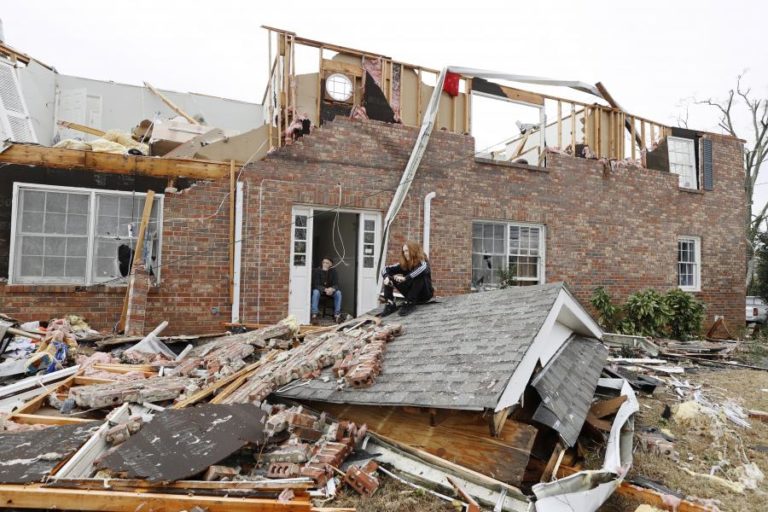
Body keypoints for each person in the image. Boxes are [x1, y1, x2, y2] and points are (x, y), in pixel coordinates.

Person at [380, 240, 434, 317]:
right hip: (409, 294)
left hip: (424, 295)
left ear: (413, 251)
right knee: (389, 277)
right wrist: (386, 277)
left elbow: (422, 269)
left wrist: (405, 278)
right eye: (404, 251)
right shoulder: (405, 264)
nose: (405, 253)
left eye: (407, 251)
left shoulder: (423, 263)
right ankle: (390, 303)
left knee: (420, 275)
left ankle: (410, 303)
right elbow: (385, 269)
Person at [311, 257, 342, 324]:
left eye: (327, 263)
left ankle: (337, 315)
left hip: (331, 291)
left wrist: (332, 289)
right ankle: (314, 315)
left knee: (338, 293)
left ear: (331, 264)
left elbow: (336, 284)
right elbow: (316, 285)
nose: (324, 264)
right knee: (315, 292)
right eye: (323, 262)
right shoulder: (317, 271)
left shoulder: (333, 271)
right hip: (321, 291)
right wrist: (325, 289)